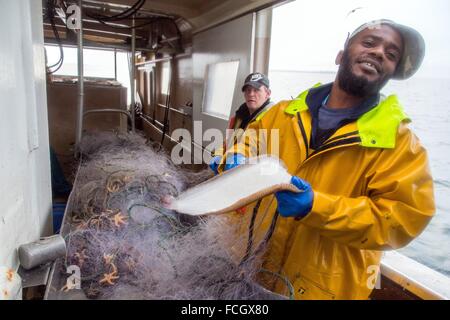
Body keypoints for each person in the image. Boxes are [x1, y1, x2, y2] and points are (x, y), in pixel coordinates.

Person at [217, 20, 435, 299]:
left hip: (322, 290)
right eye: (369, 43)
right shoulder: (284, 113)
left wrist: (316, 206)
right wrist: (234, 156)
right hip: (253, 269)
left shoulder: (401, 144)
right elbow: (250, 141)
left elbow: (403, 219)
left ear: (392, 72)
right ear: (341, 55)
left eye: (391, 54)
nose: (379, 52)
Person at [209, 72, 273, 174]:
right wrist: (219, 154)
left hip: (252, 179)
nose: (251, 94)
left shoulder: (272, 119)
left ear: (268, 93)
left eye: (256, 90)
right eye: (248, 90)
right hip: (229, 174)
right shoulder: (238, 117)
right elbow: (227, 143)